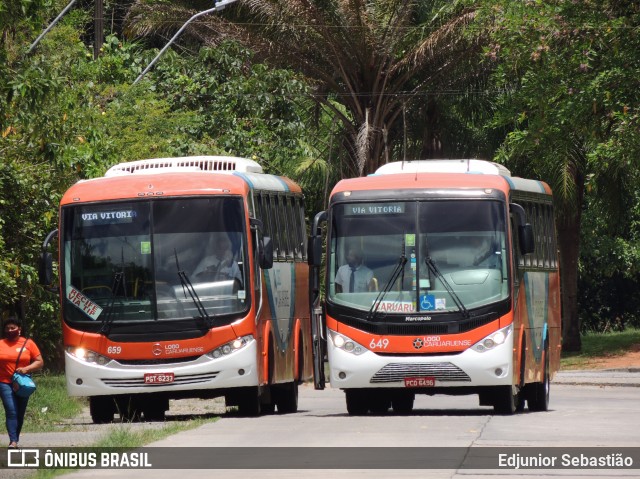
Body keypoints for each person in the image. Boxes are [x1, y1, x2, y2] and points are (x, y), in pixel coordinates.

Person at [0, 317, 44, 448]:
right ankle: (12, 441)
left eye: (12, 328)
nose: (10, 330)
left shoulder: (28, 344)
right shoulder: (1, 343)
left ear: (19, 329)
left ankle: (15, 439)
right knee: (11, 411)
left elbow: (40, 362)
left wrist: (26, 369)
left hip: (22, 383)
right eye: (7, 328)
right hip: (4, 382)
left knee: (20, 412)